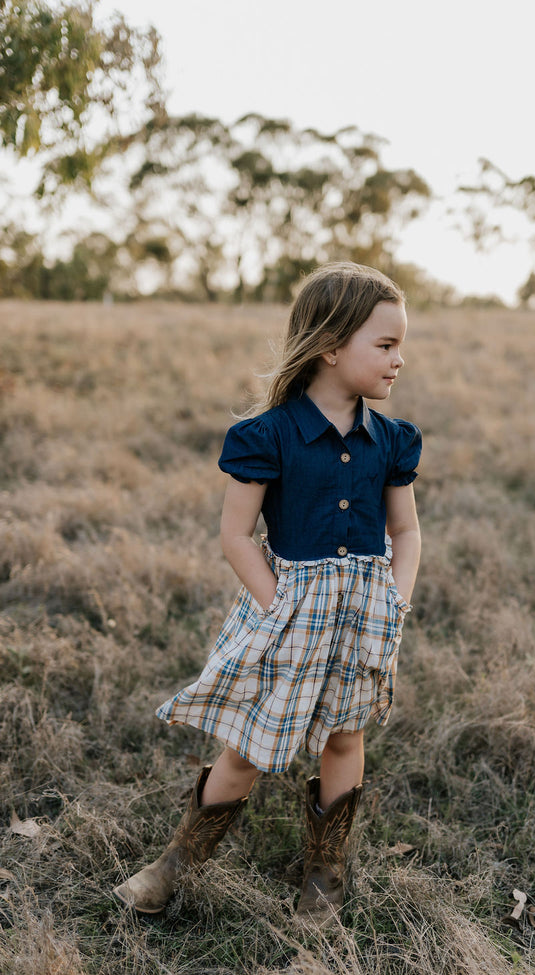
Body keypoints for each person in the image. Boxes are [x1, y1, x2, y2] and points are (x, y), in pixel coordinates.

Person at [113, 262, 422, 925]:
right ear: (331, 347)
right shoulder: (268, 435)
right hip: (289, 610)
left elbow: (406, 531)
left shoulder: (392, 441)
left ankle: (324, 873)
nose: (400, 359)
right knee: (253, 742)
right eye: (386, 345)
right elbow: (235, 535)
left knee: (345, 734)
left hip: (366, 610)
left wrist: (395, 601)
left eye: (401, 345)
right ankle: (176, 864)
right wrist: (274, 602)